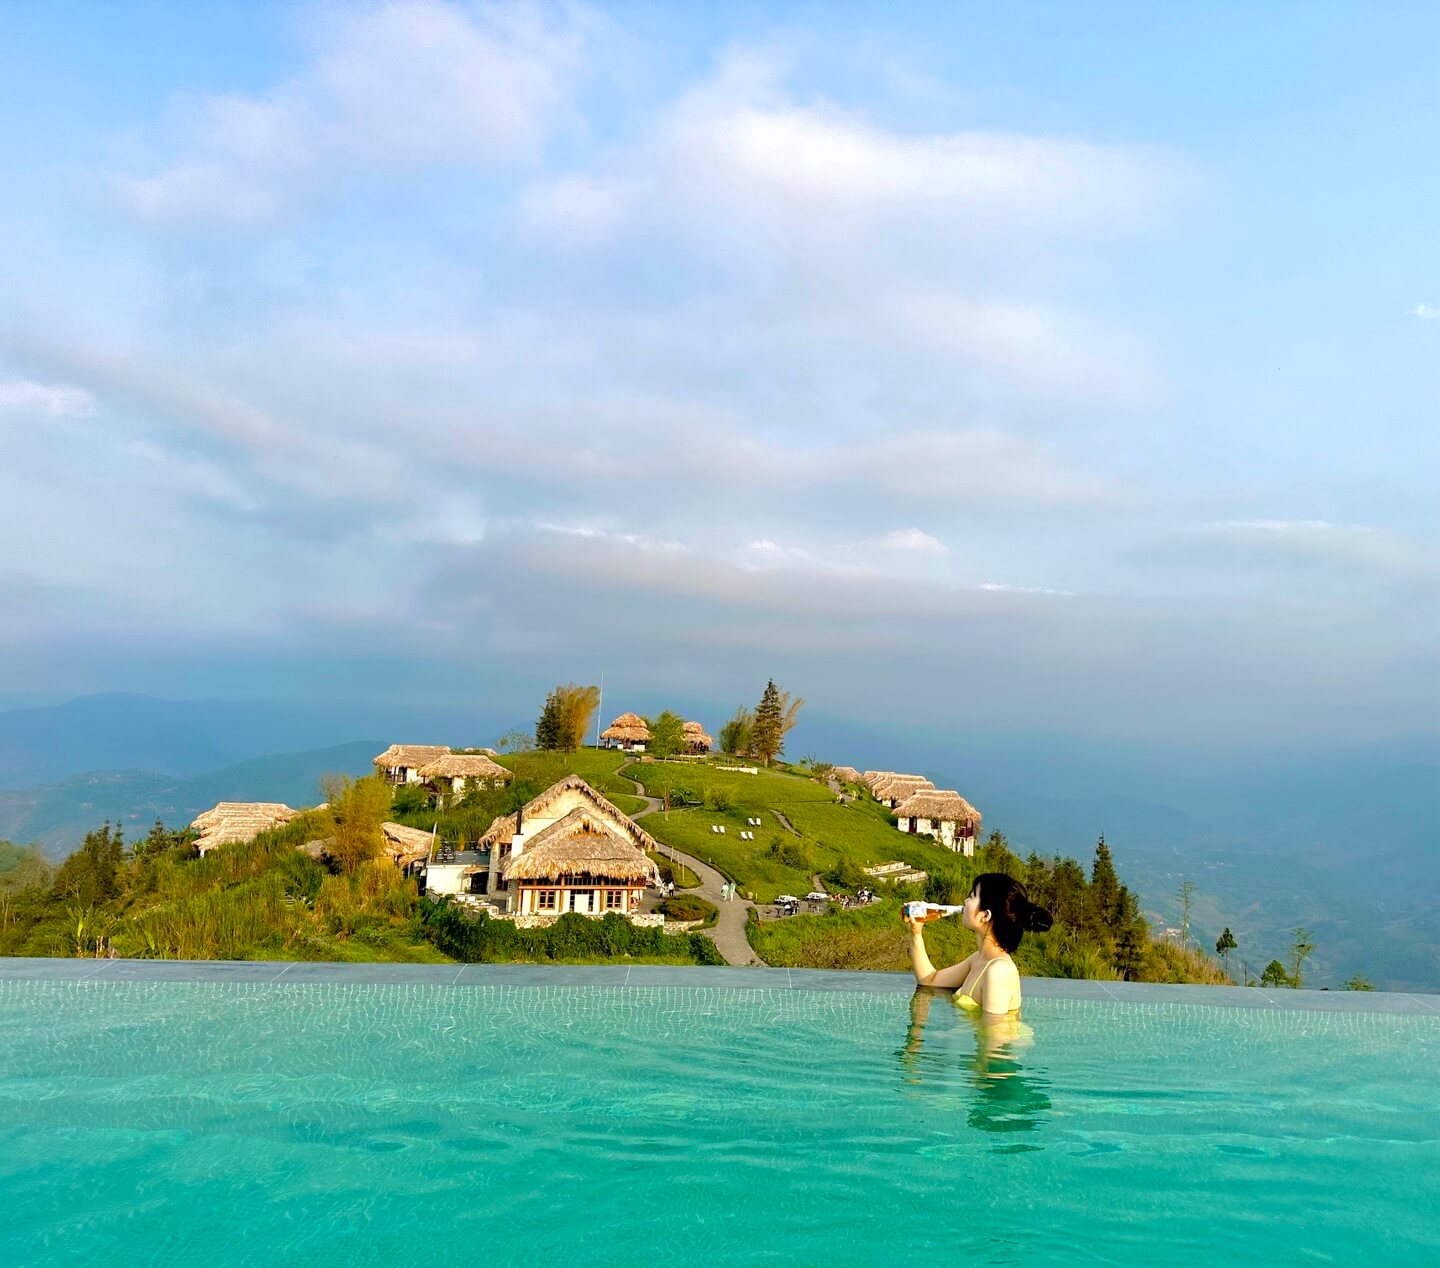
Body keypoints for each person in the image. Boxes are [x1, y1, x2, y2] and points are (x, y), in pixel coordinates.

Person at [903, 872, 1053, 1020]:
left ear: (985, 916)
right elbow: (930, 980)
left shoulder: (998, 971)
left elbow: (995, 1037)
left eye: (972, 896)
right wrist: (916, 933)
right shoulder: (978, 960)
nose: (965, 900)